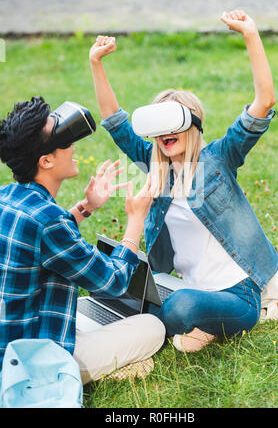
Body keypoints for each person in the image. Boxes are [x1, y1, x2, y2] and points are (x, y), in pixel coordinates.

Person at [89, 9, 278, 353]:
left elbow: (263, 103)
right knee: (109, 285)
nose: (165, 134)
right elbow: (114, 121)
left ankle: (142, 336)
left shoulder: (220, 158)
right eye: (157, 127)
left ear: (192, 125)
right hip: (180, 286)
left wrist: (251, 35)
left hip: (236, 294)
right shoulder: (153, 167)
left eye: (173, 122)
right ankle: (137, 327)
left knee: (181, 308)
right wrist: (96, 63)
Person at [0, 96, 165, 384]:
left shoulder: (6, 197)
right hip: (36, 361)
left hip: (11, 339)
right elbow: (113, 283)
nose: (73, 146)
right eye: (65, 141)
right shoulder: (50, 223)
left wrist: (85, 208)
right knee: (153, 327)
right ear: (46, 160)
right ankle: (100, 371)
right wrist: (136, 219)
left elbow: (37, 236)